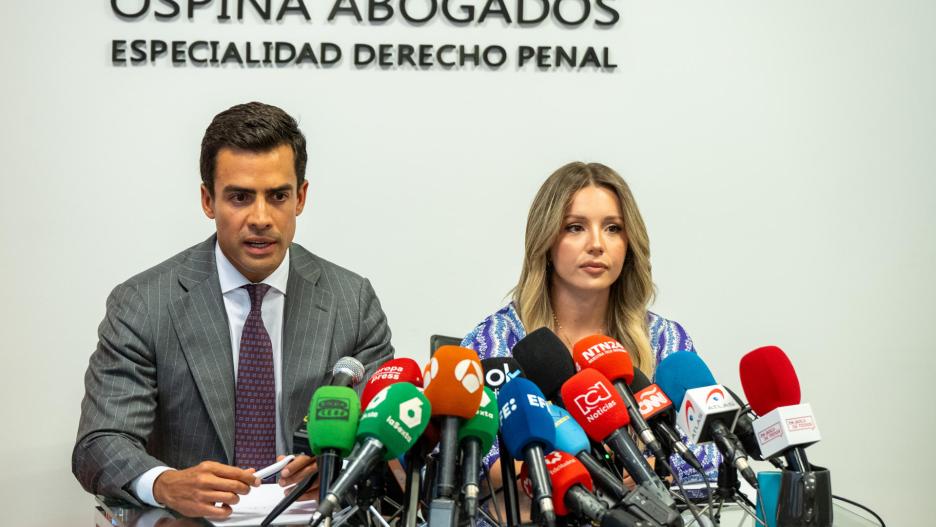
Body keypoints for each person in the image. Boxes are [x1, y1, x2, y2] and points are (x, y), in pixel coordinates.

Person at [72, 102, 394, 519]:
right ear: (208, 200)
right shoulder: (144, 303)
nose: (260, 218)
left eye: (277, 196)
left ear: (301, 197)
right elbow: (100, 441)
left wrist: (340, 468)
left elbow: (384, 434)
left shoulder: (351, 302)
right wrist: (166, 483)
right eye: (240, 197)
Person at [461, 161, 719, 492]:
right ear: (546, 241)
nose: (597, 244)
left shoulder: (666, 340)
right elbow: (471, 463)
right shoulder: (496, 341)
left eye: (613, 228)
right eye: (575, 227)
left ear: (629, 245)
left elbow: (710, 458)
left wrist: (651, 467)